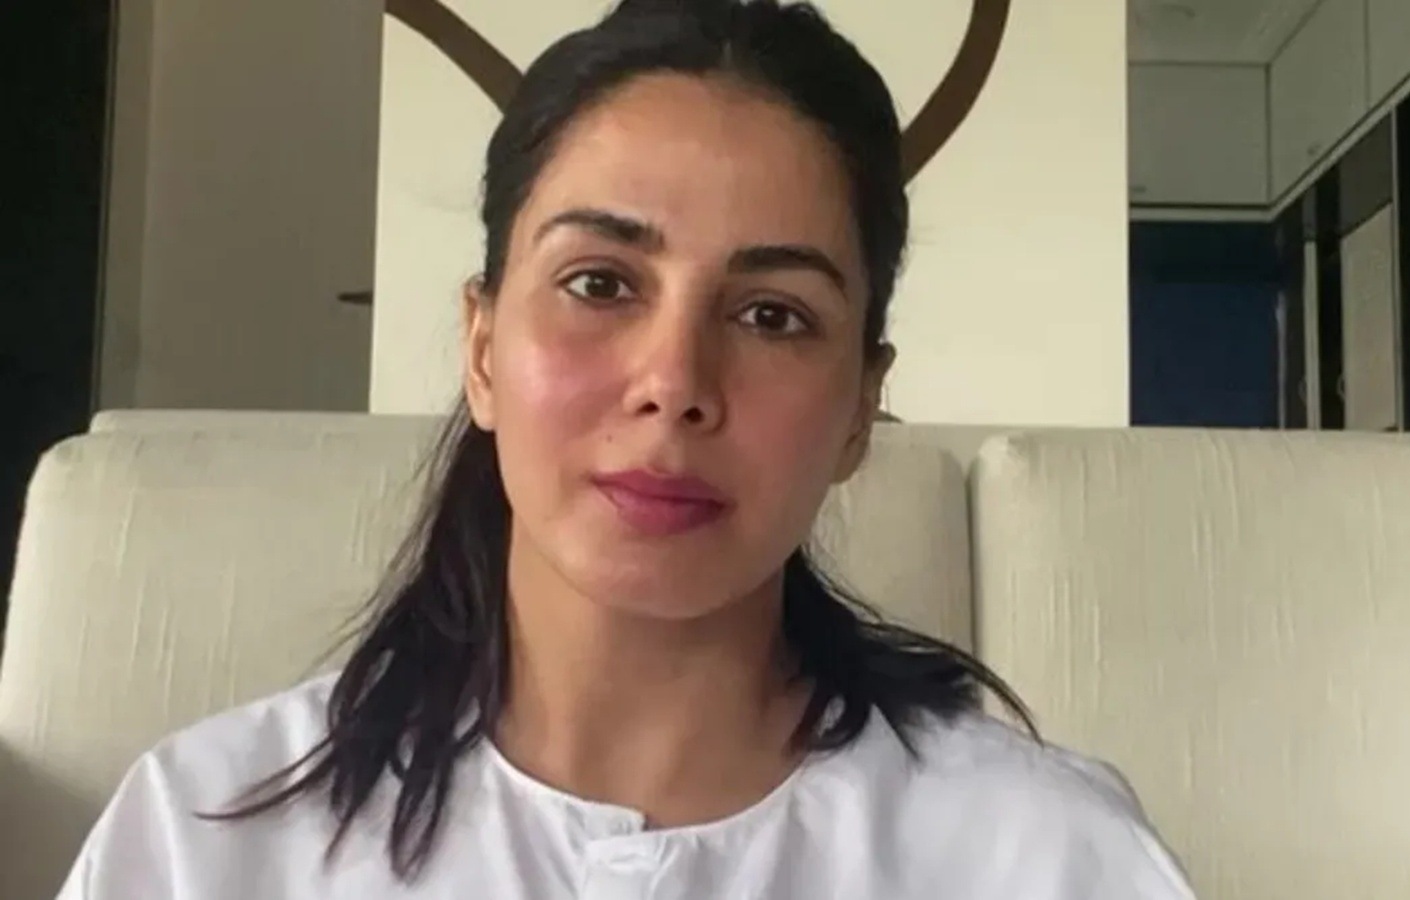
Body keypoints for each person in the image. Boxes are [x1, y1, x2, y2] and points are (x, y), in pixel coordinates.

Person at [58, 1, 1196, 896]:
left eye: (772, 315)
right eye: (600, 284)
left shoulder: (1043, 859)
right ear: (482, 349)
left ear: (861, 407)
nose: (674, 385)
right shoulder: (204, 840)